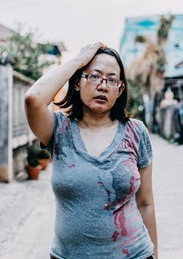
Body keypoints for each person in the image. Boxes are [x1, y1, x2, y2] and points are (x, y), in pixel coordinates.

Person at [24, 42, 158, 259]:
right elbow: (33, 99)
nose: (103, 86)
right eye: (94, 76)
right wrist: (78, 60)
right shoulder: (58, 129)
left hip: (135, 254)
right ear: (77, 83)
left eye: (112, 80)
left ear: (120, 89)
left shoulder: (136, 132)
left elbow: (146, 203)